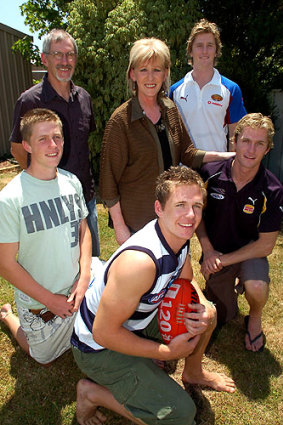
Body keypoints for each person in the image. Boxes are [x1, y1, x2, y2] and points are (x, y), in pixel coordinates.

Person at [72, 166, 235, 425]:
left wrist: (203, 305)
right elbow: (103, 332)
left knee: (209, 315)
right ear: (159, 208)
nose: (190, 215)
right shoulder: (140, 263)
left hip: (135, 322)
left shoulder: (178, 236)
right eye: (180, 204)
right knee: (182, 416)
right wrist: (165, 351)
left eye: (197, 206)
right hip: (97, 347)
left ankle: (193, 373)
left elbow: (186, 278)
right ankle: (92, 394)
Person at [100, 37, 235, 246]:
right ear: (132, 74)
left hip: (173, 219)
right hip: (138, 224)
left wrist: (229, 156)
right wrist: (120, 227)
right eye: (143, 70)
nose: (150, 77)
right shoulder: (121, 121)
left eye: (157, 70)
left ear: (165, 73)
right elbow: (108, 181)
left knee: (176, 277)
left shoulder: (170, 109)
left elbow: (188, 154)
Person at [0, 108, 92, 365]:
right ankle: (8, 315)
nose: (53, 145)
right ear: (27, 145)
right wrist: (50, 300)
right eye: (43, 139)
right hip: (42, 301)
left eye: (57, 137)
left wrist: (84, 275)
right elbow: (5, 264)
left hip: (77, 286)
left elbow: (84, 230)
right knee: (43, 357)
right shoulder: (11, 199)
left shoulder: (71, 181)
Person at [9, 29, 100, 257]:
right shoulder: (30, 101)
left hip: (86, 200)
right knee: (58, 267)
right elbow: (18, 148)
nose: (64, 61)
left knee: (91, 263)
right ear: (44, 59)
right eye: (57, 55)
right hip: (50, 205)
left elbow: (84, 144)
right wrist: (43, 182)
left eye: (70, 55)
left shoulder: (84, 98)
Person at [197, 113, 283, 352]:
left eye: (260, 144)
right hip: (216, 251)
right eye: (246, 141)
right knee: (222, 316)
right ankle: (229, 287)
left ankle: (255, 316)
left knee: (256, 286)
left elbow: (265, 246)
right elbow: (196, 218)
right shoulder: (210, 174)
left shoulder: (272, 189)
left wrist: (222, 260)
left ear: (267, 149)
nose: (251, 149)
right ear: (234, 141)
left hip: (249, 253)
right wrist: (209, 250)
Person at [169, 19, 246, 152]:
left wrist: (231, 169)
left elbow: (235, 136)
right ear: (190, 51)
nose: (204, 51)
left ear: (216, 51)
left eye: (210, 45)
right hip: (184, 169)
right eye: (199, 45)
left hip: (217, 168)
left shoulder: (231, 89)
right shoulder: (175, 91)